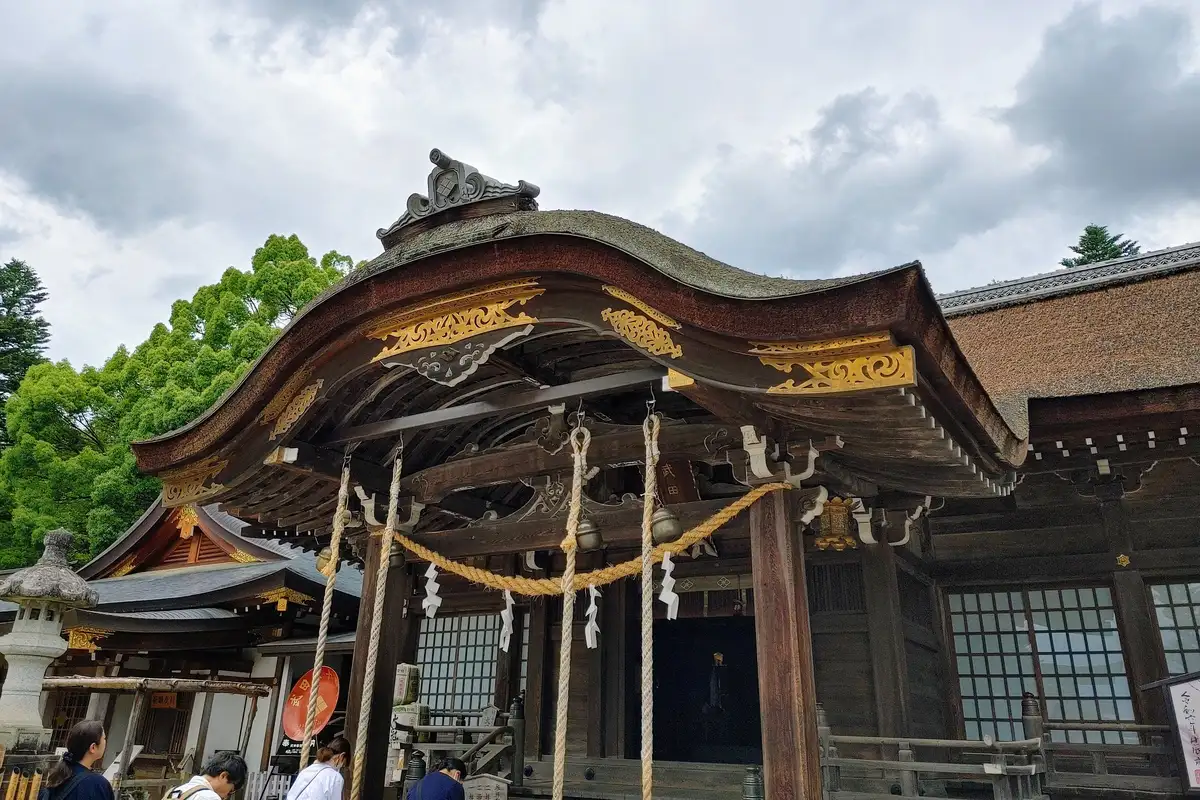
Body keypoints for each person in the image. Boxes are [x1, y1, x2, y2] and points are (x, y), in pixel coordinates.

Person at [38, 720, 113, 800]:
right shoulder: (98, 785)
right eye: (104, 738)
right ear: (93, 747)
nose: (105, 742)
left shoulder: (57, 777)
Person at [284, 737, 351, 800]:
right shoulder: (335, 777)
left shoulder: (306, 771)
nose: (341, 767)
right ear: (342, 756)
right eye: (343, 764)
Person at [164, 752, 247, 800]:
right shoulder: (209, 797)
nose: (226, 797)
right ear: (223, 776)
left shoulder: (175, 791)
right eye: (230, 791)